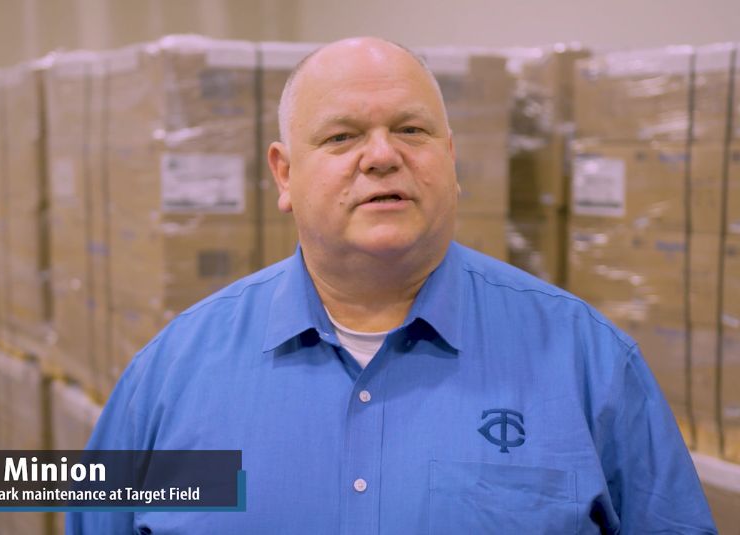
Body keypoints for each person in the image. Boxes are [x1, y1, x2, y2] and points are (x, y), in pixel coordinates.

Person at [67, 37, 716, 534]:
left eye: (410, 130)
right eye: (343, 136)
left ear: (451, 159)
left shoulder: (588, 364)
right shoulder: (171, 374)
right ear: (284, 174)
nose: (381, 155)